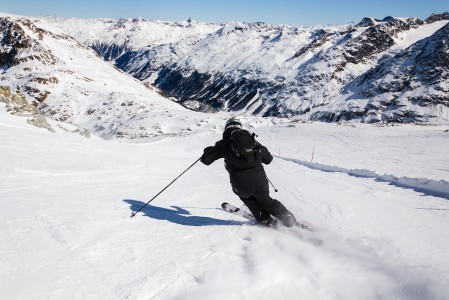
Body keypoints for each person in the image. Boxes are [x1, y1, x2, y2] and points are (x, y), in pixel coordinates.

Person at [200, 117, 297, 227]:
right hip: (259, 180)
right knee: (266, 200)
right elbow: (268, 159)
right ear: (239, 126)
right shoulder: (252, 141)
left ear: (227, 127)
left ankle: (265, 219)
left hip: (240, 183)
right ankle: (288, 218)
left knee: (248, 198)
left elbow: (206, 160)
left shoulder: (223, 144)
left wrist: (207, 151)